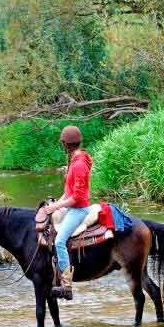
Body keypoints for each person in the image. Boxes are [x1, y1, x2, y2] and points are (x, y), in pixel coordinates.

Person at [39, 124, 95, 300]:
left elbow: (77, 197)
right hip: (71, 205)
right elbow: (70, 190)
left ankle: (66, 285)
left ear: (65, 144)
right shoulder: (77, 158)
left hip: (79, 209)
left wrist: (57, 206)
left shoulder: (78, 165)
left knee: (60, 240)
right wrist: (58, 202)